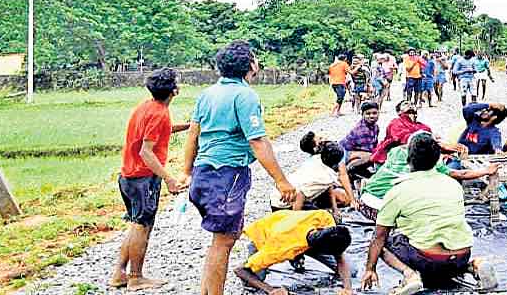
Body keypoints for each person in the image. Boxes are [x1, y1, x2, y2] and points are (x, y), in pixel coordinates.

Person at [183, 41, 297, 295]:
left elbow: (193, 134)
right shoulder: (245, 95)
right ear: (250, 65)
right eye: (255, 58)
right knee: (223, 242)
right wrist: (281, 180)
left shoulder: (208, 93)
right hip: (227, 175)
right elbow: (257, 141)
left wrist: (186, 171)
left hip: (204, 172)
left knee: (220, 240)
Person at [362, 136, 498, 295]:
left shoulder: (398, 190)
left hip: (427, 260)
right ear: (437, 160)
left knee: (381, 242)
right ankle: (474, 264)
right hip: (462, 255)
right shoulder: (453, 185)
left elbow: (379, 236)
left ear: (408, 159)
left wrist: (370, 269)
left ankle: (410, 276)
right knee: (441, 243)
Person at [110, 68, 191, 290]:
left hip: (128, 177)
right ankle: (136, 277)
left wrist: (189, 126)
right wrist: (169, 179)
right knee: (142, 226)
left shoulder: (147, 107)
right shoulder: (159, 113)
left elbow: (159, 132)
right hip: (143, 178)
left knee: (137, 223)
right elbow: (147, 151)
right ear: (174, 90)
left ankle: (119, 273)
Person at [234, 210, 353, 295]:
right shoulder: (279, 248)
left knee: (351, 271)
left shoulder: (324, 218)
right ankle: (296, 259)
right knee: (254, 284)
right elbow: (239, 270)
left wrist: (348, 288)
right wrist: (270, 290)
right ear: (322, 250)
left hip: (291, 226)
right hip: (265, 233)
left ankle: (297, 258)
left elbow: (340, 258)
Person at [361, 131, 498, 203]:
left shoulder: (396, 151)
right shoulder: (432, 164)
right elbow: (460, 174)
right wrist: (485, 171)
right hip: (379, 204)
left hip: (366, 196)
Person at [271, 134, 355, 214]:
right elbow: (300, 195)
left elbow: (329, 188)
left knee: (330, 210)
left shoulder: (317, 159)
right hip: (283, 206)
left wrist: (335, 209)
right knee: (322, 218)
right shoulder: (324, 177)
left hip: (282, 196)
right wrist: (296, 221)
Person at [371, 100, 433, 165]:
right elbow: (401, 137)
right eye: (406, 104)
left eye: (412, 104)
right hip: (396, 156)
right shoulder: (396, 122)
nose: (410, 105)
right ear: (399, 112)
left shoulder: (423, 126)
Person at [341, 101, 381, 178]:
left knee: (374, 154)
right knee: (371, 156)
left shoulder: (375, 127)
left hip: (356, 152)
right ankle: (349, 170)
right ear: (362, 115)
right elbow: (368, 151)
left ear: (378, 113)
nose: (372, 116)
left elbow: (375, 145)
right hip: (344, 154)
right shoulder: (363, 130)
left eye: (374, 113)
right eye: (368, 114)